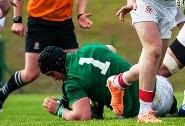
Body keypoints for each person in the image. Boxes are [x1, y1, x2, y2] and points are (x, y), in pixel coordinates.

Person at [38, 44, 175, 120]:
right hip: (163, 87)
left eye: (52, 74)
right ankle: (174, 107)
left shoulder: (71, 82)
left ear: (58, 65)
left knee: (119, 113)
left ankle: (97, 108)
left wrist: (59, 110)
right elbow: (111, 48)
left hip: (146, 110)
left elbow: (82, 115)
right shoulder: (89, 48)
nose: (54, 78)